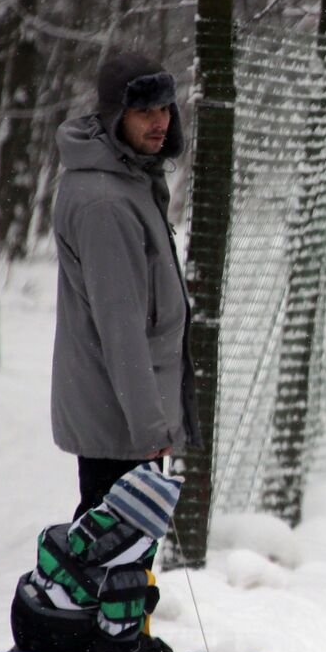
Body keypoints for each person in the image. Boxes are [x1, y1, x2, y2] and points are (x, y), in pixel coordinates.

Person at [51, 51, 200, 522]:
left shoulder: (127, 179)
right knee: (109, 563)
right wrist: (149, 429)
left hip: (126, 413)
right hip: (120, 421)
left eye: (165, 109)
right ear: (117, 115)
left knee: (118, 560)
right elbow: (120, 325)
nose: (160, 122)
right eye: (145, 111)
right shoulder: (106, 203)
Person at [7, 463, 184, 652]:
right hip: (63, 641)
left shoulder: (59, 533)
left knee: (73, 602)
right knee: (124, 649)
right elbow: (118, 631)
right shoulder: (124, 574)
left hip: (25, 622)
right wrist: (143, 642)